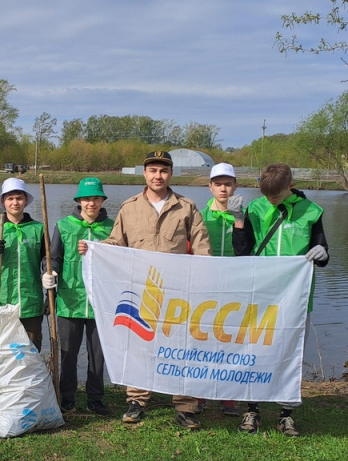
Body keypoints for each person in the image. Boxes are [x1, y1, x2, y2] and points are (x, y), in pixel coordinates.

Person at [94, 151, 212, 429]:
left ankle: (186, 406)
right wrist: (94, 250)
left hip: (178, 292)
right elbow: (116, 242)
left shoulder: (187, 207)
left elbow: (202, 247)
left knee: (182, 347)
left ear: (170, 174)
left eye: (163, 171)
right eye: (153, 171)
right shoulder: (129, 207)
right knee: (139, 346)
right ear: (144, 174)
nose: (157, 176)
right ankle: (136, 400)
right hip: (140, 291)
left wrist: (206, 279)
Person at [233, 162, 329, 437]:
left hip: (295, 300)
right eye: (266, 196)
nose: (271, 201)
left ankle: (286, 414)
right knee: (255, 352)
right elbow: (243, 255)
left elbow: (323, 253)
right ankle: (252, 409)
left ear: (290, 186)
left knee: (291, 355)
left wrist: (322, 252)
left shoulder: (312, 212)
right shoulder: (256, 208)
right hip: (261, 295)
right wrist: (239, 221)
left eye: (275, 196)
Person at [43, 177, 114, 416]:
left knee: (98, 355)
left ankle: (96, 398)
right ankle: (68, 397)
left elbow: (119, 261)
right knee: (68, 354)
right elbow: (54, 258)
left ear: (102, 200)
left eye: (96, 198)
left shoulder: (113, 227)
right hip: (69, 301)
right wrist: (48, 272)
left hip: (100, 303)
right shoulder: (64, 226)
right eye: (86, 198)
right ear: (79, 201)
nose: (91, 203)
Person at [198, 162, 244, 417]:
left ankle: (228, 397)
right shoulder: (199, 216)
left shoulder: (246, 215)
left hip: (235, 288)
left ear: (235, 186)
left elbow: (249, 249)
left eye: (228, 184)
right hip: (206, 287)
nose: (223, 189)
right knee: (202, 340)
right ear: (210, 187)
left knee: (231, 341)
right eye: (218, 184)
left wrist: (239, 219)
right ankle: (200, 394)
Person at [0, 178, 47, 347]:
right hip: (1, 303)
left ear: (26, 200)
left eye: (19, 198)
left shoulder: (39, 229)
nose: (15, 202)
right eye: (10, 198)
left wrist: (50, 278)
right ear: (3, 201)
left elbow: (48, 261)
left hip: (31, 304)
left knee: (31, 353)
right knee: (1, 353)